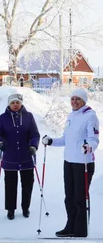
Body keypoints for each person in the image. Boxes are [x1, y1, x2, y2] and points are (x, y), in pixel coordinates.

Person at [42, 88, 99, 238]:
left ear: (84, 101)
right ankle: (70, 226)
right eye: (72, 99)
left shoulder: (90, 116)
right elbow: (65, 139)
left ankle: (80, 230)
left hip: (83, 162)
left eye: (77, 99)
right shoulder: (71, 116)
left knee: (80, 197)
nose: (74, 102)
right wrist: (51, 141)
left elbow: (94, 139)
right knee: (69, 197)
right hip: (69, 162)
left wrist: (89, 147)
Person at [0, 93, 40, 220]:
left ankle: (26, 207)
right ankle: (10, 209)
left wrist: (34, 146)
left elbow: (35, 134)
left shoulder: (29, 116)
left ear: (21, 104)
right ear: (9, 104)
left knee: (27, 184)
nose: (15, 105)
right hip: (10, 156)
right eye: (13, 103)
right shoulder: (3, 117)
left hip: (27, 156)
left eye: (17, 103)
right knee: (10, 185)